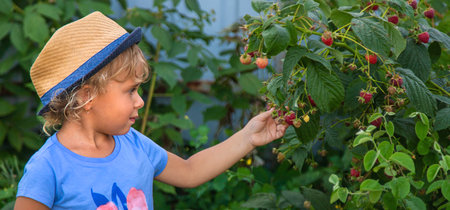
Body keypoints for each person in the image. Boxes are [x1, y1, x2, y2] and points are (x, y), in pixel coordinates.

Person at [14, 11, 288, 210]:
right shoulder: (48, 168)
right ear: (87, 97)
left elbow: (190, 171)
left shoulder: (133, 144)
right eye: (130, 90)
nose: (140, 101)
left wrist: (248, 137)